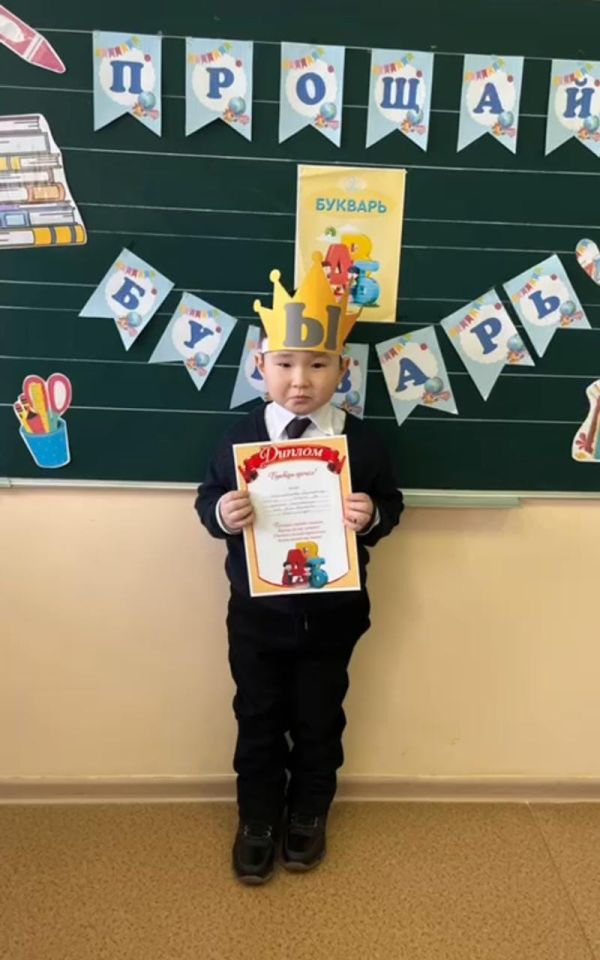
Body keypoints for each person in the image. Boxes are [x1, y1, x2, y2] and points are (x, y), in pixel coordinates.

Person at [195, 254, 403, 885]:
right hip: (257, 617)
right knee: (257, 718)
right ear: (260, 365)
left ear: (343, 370)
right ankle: (258, 818)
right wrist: (222, 513)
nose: (300, 380)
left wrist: (371, 515)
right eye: (285, 364)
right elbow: (207, 499)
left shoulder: (362, 442)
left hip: (334, 615)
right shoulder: (239, 436)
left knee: (319, 720)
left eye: (317, 364)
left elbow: (392, 504)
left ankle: (309, 812)